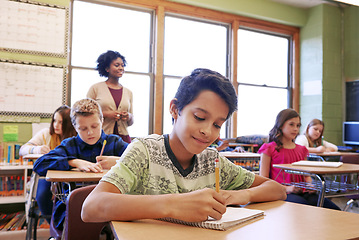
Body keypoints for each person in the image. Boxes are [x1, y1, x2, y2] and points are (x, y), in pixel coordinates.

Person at [81, 68, 286, 224]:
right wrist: (173, 204)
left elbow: (276, 189)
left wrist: (237, 195)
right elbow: (91, 208)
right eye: (199, 117)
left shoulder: (212, 161)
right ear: (175, 109)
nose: (208, 131)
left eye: (217, 124)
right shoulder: (144, 151)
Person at [33, 98, 128, 231]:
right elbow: (39, 164)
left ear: (102, 121)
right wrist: (73, 162)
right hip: (73, 208)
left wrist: (118, 161)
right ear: (75, 127)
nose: (90, 132)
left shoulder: (114, 142)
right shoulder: (69, 145)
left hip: (109, 206)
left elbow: (142, 161)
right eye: (83, 128)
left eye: (94, 126)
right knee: (74, 226)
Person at [258, 109, 340, 210]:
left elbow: (306, 176)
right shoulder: (269, 148)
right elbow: (263, 179)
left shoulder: (302, 149)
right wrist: (287, 188)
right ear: (280, 125)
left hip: (303, 192)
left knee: (333, 209)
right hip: (281, 193)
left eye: (298, 125)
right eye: (291, 124)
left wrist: (310, 185)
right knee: (304, 208)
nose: (295, 129)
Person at [20, 105, 77, 222]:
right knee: (41, 196)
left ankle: (70, 224)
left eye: (61, 122)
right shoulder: (46, 133)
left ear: (70, 124)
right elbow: (23, 149)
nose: (56, 125)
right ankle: (54, 224)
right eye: (54, 120)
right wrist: (37, 149)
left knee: (73, 197)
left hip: (69, 176)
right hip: (46, 175)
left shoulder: (75, 137)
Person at [87, 50, 133, 144]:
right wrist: (107, 114)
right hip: (101, 137)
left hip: (123, 139)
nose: (121, 68)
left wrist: (128, 116)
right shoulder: (95, 88)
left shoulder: (128, 92)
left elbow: (131, 121)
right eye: (117, 65)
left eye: (122, 65)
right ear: (107, 68)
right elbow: (86, 114)